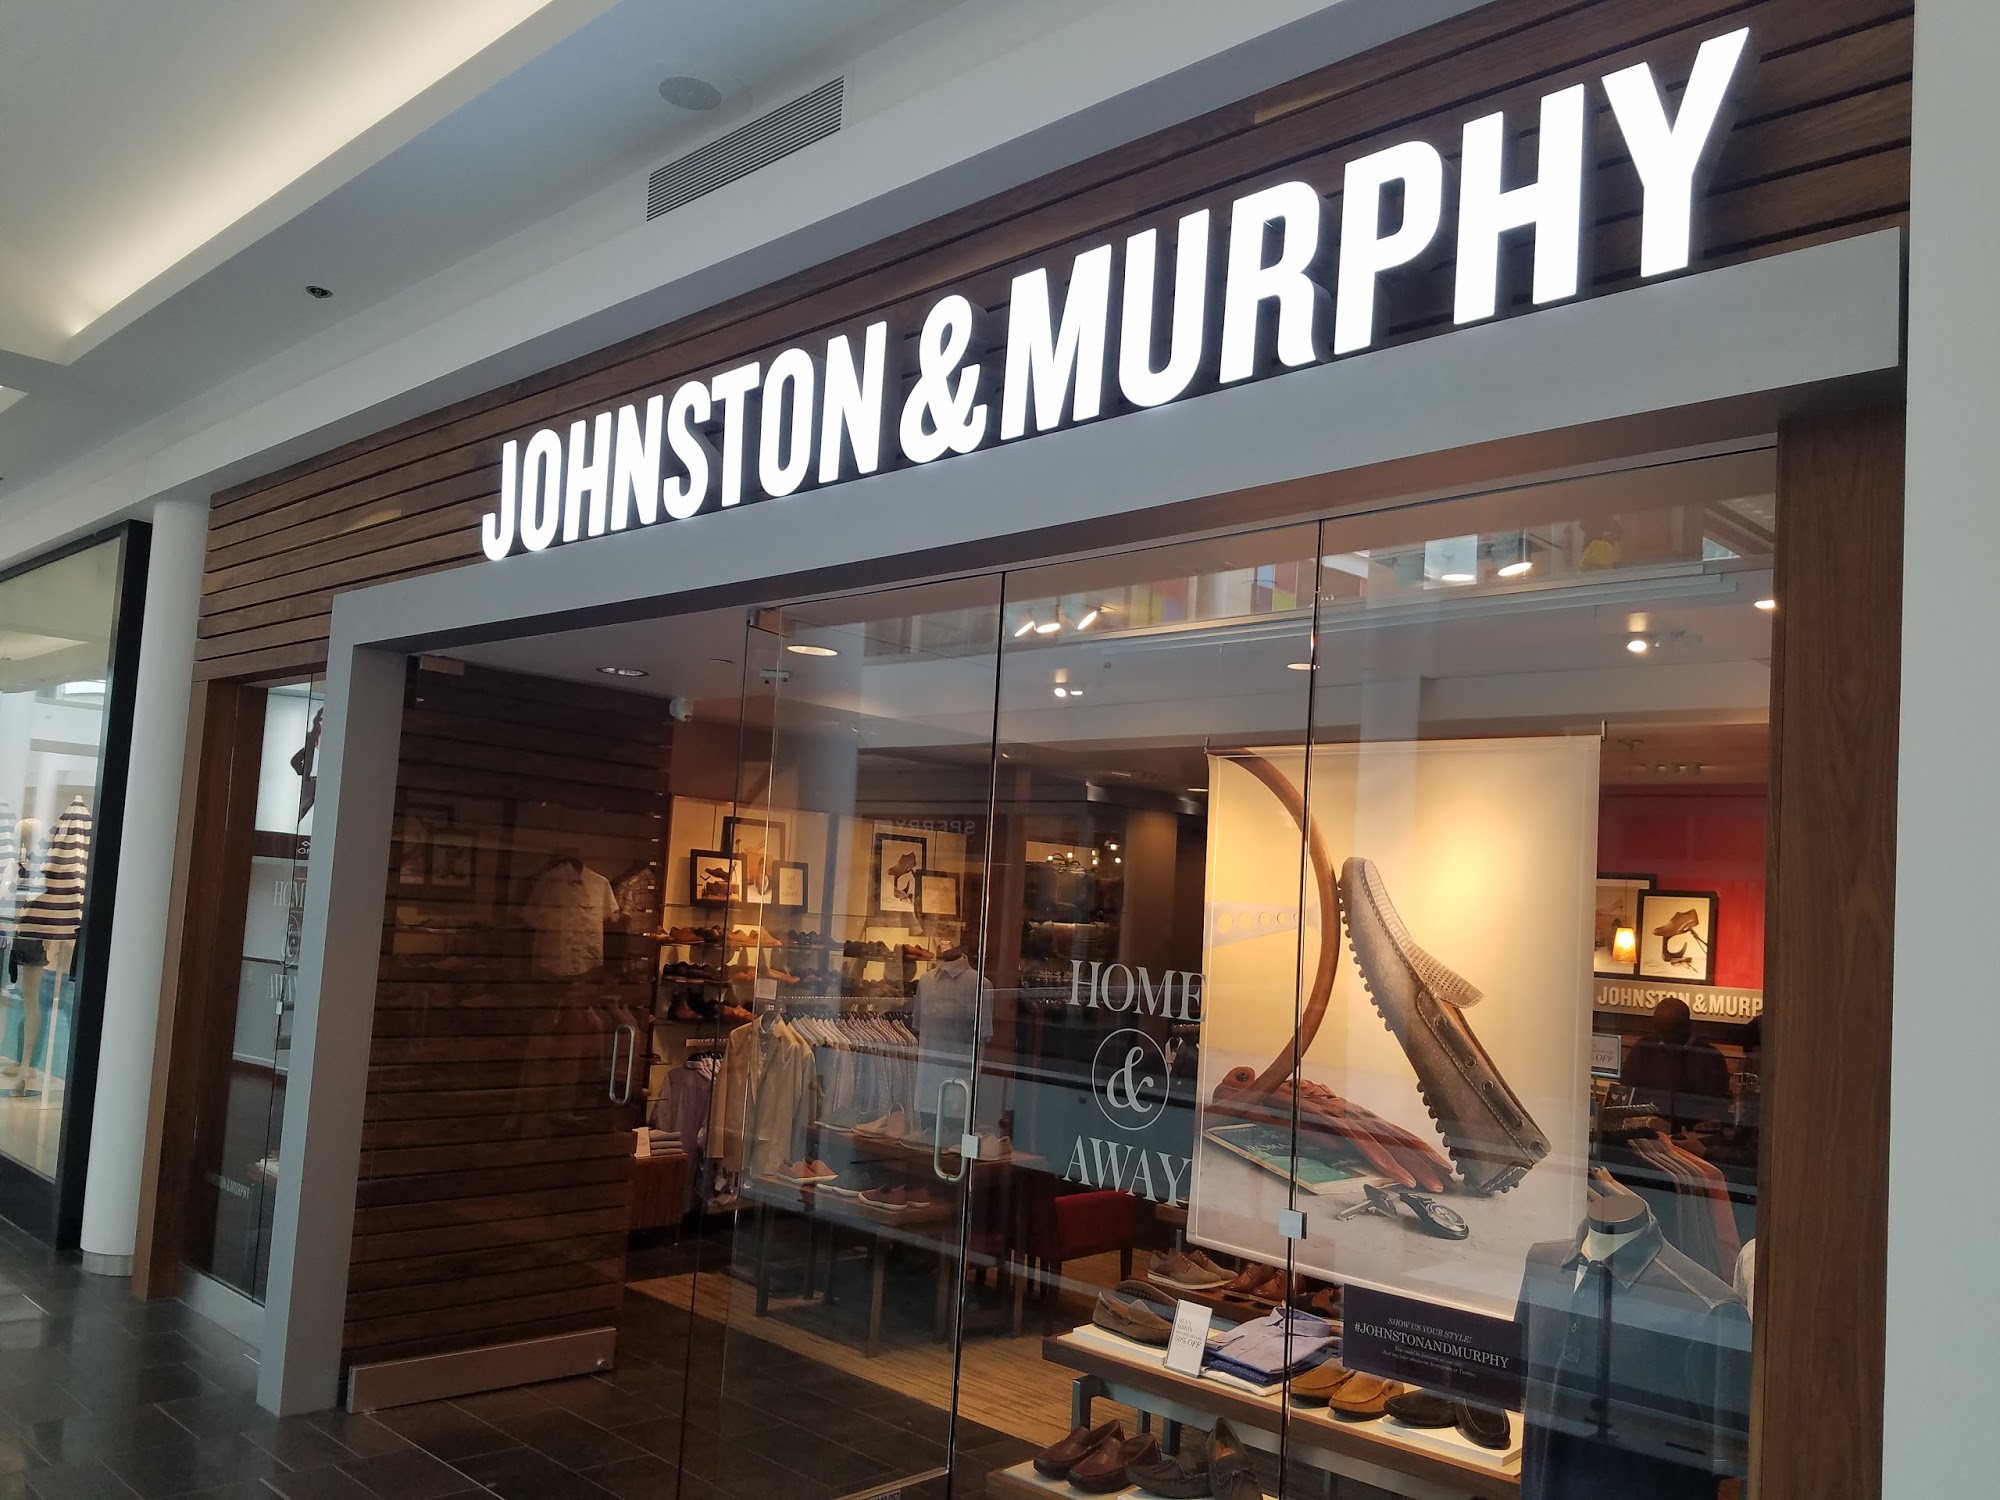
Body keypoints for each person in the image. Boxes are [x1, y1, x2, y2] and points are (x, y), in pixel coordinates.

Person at [1621, 996, 1733, 1129]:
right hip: (1645, 1129)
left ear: (1686, 1027)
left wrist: (1696, 1128)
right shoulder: (1644, 1048)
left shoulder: (1710, 1057)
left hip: (1690, 1135)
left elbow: (1715, 1107)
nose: (1662, 1037)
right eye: (1658, 1031)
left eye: (1668, 1033)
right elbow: (1625, 1092)